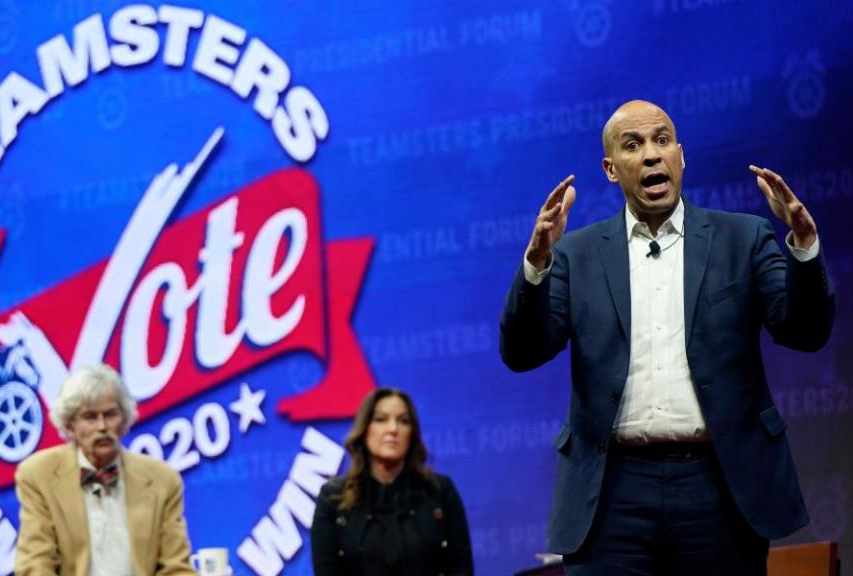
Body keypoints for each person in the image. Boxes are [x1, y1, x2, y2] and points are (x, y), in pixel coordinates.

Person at [499, 100, 835, 575]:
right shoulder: (576, 255)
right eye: (633, 145)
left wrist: (803, 244)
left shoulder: (744, 238)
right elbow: (521, 352)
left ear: (681, 155)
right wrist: (536, 264)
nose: (652, 155)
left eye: (662, 140)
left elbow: (805, 332)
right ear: (612, 170)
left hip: (718, 484)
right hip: (611, 493)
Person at [14, 363, 196, 575]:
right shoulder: (38, 475)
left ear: (124, 419)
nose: (102, 427)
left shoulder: (162, 480)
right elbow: (36, 564)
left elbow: (175, 566)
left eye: (110, 415)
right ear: (69, 426)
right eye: (90, 417)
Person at [311, 388, 474, 576]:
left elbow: (461, 567)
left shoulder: (440, 492)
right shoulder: (333, 497)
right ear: (364, 429)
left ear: (412, 433)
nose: (393, 429)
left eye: (403, 421)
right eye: (381, 419)